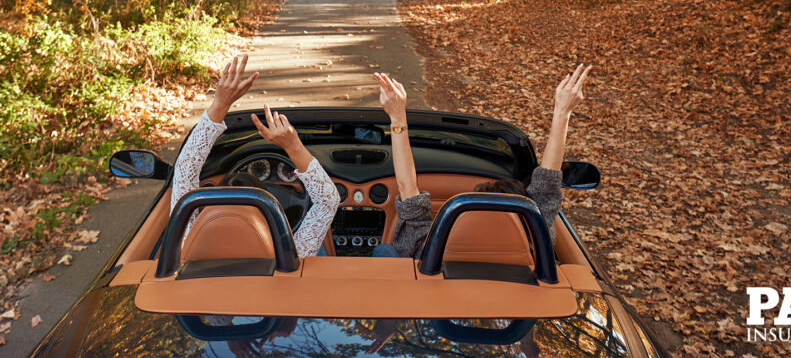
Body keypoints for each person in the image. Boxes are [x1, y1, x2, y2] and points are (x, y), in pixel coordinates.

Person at [378, 64, 592, 259]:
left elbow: (407, 189)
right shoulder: (536, 242)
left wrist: (397, 117)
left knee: (383, 251)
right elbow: (548, 183)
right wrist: (562, 111)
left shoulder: (427, 250)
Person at [171, 55, 339, 258]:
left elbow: (185, 170)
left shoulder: (187, 248)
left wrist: (220, 104)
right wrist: (292, 145)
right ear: (269, 218)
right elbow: (328, 201)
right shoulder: (291, 257)